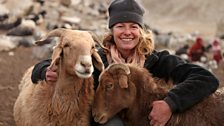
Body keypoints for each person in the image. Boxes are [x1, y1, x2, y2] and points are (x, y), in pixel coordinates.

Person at [31, 0, 219, 126]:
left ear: (141, 31)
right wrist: (45, 71)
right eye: (120, 26)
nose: (127, 32)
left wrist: (170, 103)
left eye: (133, 26)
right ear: (112, 31)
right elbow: (47, 65)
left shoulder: (156, 60)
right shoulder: (99, 60)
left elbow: (206, 78)